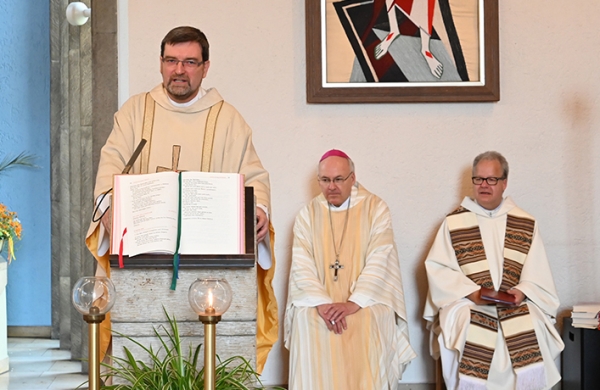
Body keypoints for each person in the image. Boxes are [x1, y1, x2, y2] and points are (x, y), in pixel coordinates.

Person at [85, 26, 278, 372]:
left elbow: (253, 175)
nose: (179, 70)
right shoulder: (136, 112)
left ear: (205, 67)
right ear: (160, 63)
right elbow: (111, 164)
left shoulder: (226, 119)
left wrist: (259, 210)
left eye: (190, 62)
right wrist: (110, 207)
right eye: (172, 60)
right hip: (143, 256)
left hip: (208, 262)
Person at [423, 151, 564, 390]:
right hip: (468, 301)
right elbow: (439, 270)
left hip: (514, 302)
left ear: (504, 183)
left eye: (491, 179)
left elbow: (537, 272)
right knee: (468, 322)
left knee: (533, 323)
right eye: (478, 179)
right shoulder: (454, 223)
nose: (484, 185)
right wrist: (472, 292)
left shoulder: (525, 222)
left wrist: (522, 291)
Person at [284, 149, 416, 389]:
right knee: (306, 319)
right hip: (321, 302)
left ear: (352, 178)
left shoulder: (375, 208)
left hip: (364, 301)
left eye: (338, 179)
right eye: (325, 180)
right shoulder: (307, 215)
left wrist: (353, 303)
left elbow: (381, 258)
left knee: (368, 320)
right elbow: (301, 264)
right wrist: (322, 303)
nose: (331, 187)